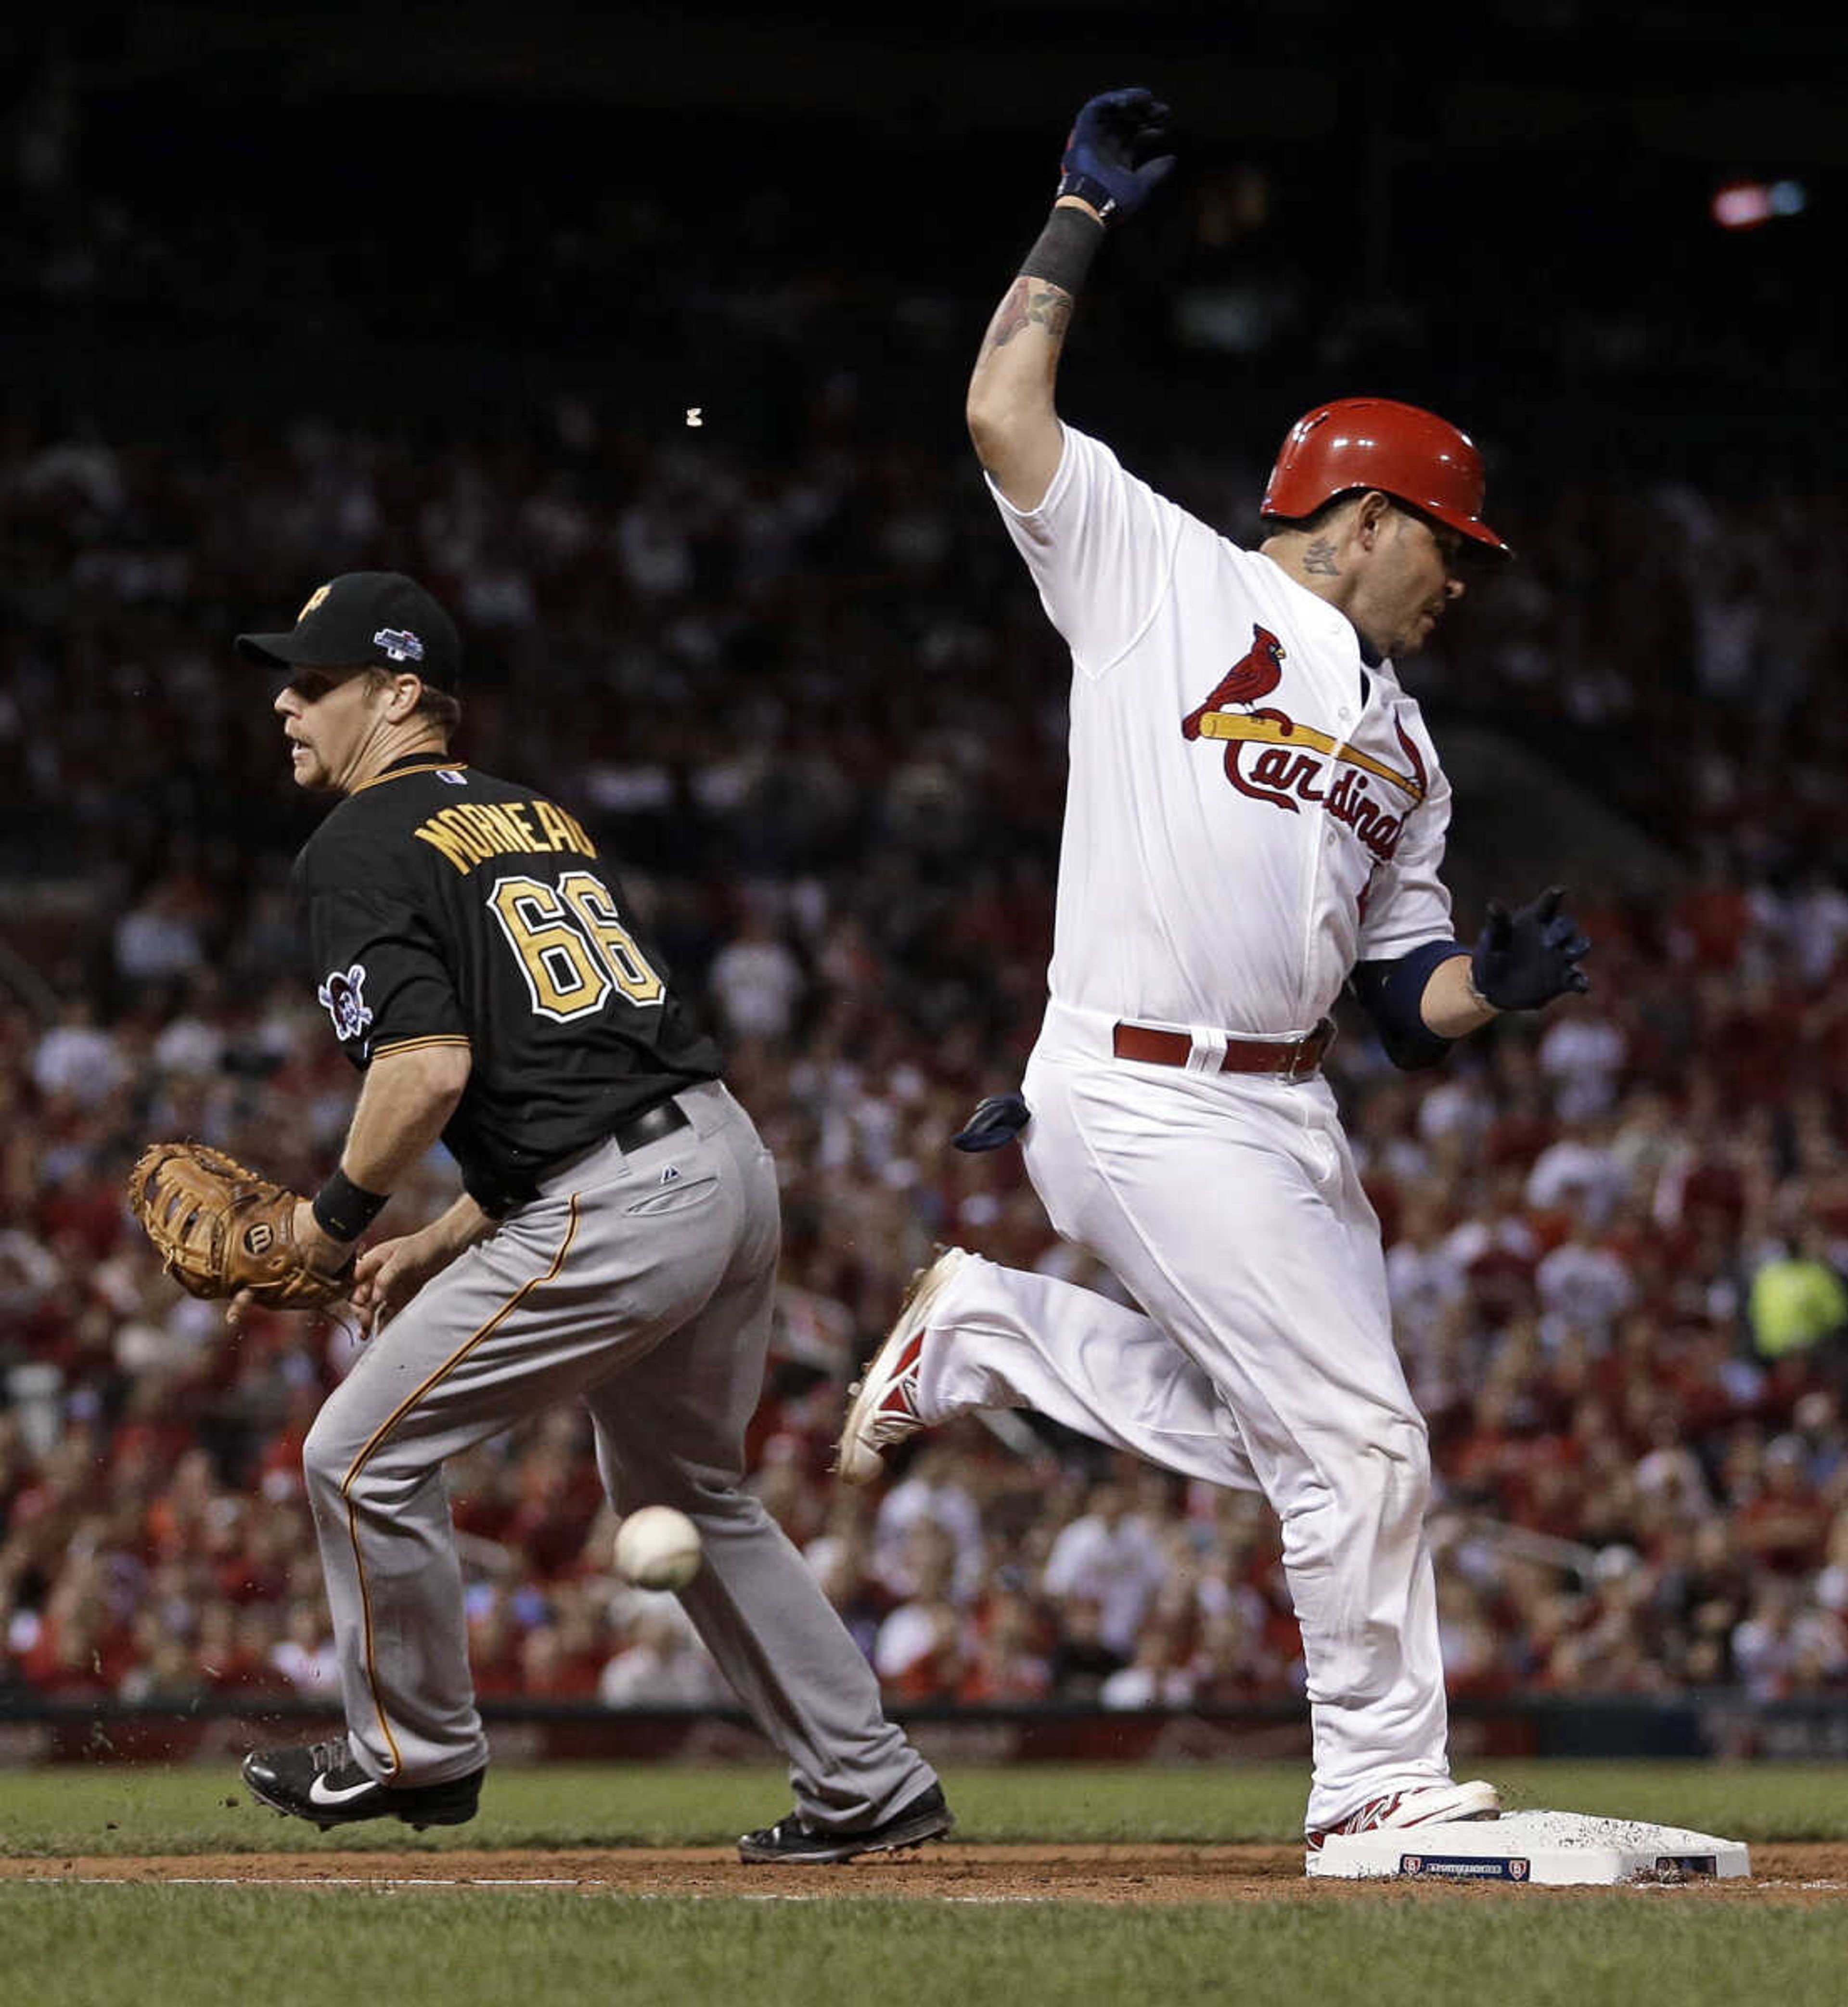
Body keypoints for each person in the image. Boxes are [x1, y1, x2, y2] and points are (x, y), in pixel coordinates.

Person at [834, 90, 1591, 1854]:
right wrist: (1074, 219)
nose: (1462, 582)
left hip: (1291, 1114)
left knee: (1303, 1445)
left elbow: (1406, 1017)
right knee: (1364, 1445)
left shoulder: (1413, 744)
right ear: (1366, 512)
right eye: (1449, 545)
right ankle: (1379, 1789)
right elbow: (998, 409)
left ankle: (993, 1331)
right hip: (1139, 1082)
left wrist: (1497, 979)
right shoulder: (1162, 572)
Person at [229, 569, 950, 1863]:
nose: (285, 701)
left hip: (618, 1201)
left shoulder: (353, 844)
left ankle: (414, 1750)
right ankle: (867, 1778)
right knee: (689, 1487)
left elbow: (427, 1069)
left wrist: (328, 1229)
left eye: (314, 679)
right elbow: (564, 1065)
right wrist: (443, 1236)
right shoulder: (529, 813)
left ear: (400, 695)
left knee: (356, 1452)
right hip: (721, 1161)